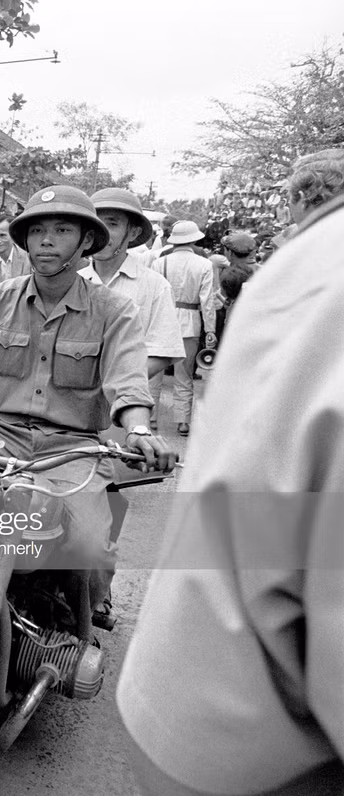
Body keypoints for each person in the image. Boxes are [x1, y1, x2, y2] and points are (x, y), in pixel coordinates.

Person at [117, 184, 344, 796]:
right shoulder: (302, 270)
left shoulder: (153, 285)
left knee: (86, 540)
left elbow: (142, 369)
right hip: (231, 715)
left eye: (111, 221)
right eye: (39, 233)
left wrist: (135, 421)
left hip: (110, 430)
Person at [0, 186, 177, 632]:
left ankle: (82, 624)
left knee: (88, 544)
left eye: (62, 230)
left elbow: (128, 384)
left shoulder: (114, 309)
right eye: (37, 230)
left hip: (72, 449)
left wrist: (138, 430)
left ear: (85, 243)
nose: (46, 240)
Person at [82, 189, 185, 385]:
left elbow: (163, 352)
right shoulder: (72, 282)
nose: (102, 232)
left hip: (124, 403)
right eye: (96, 223)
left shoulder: (155, 286)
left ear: (133, 233)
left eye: (112, 224)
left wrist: (115, 385)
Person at [150, 220, 215, 436]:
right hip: (191, 322)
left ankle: (150, 417)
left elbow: (152, 295)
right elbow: (207, 301)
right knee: (184, 375)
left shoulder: (161, 262)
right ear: (195, 239)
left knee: (154, 373)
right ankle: (183, 421)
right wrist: (211, 330)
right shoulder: (204, 265)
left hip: (162, 320)